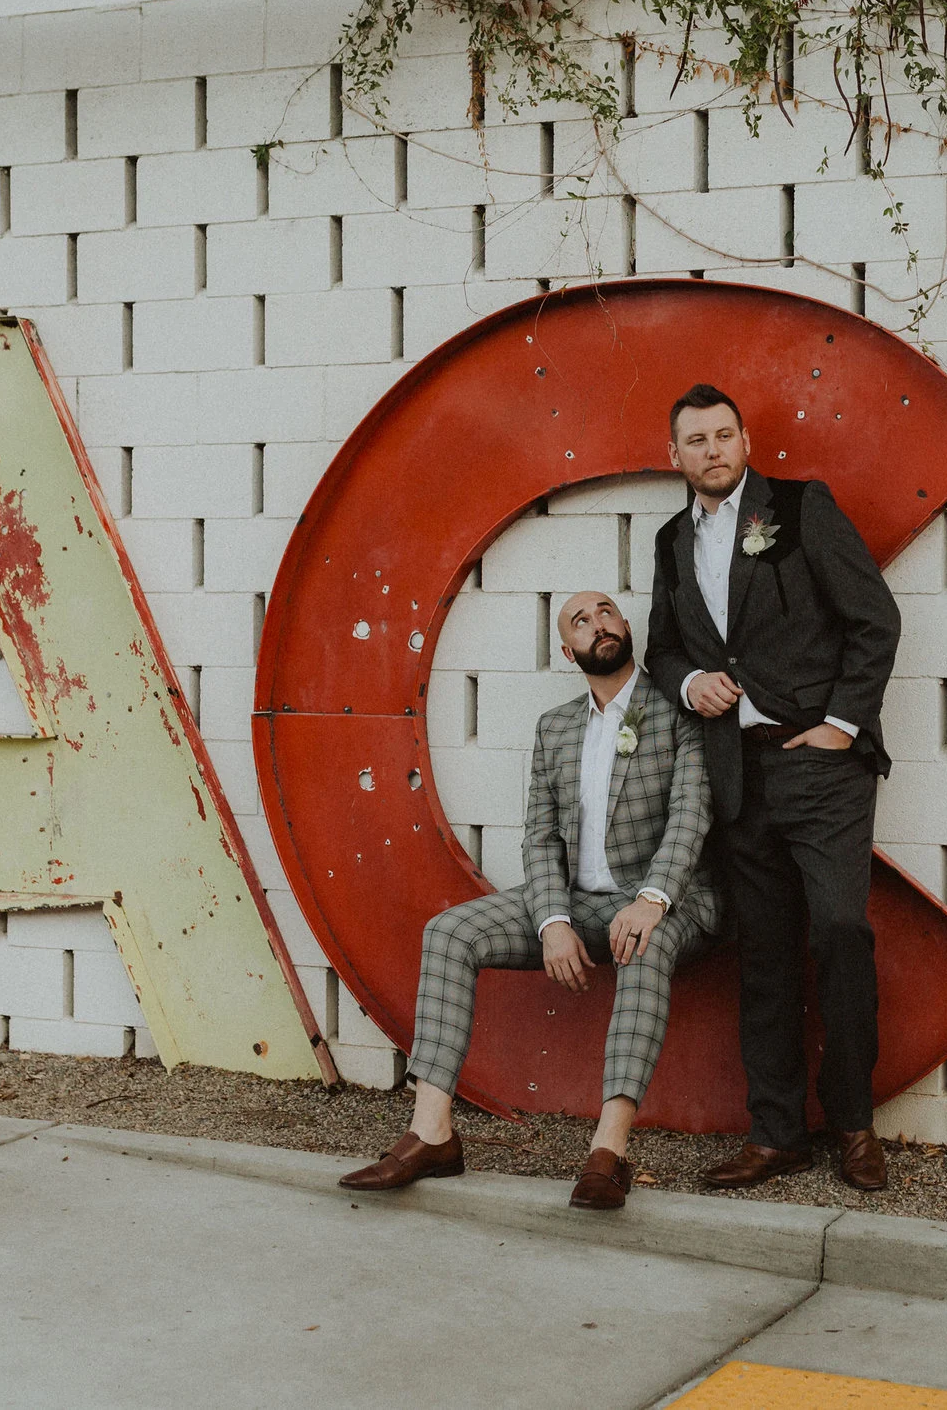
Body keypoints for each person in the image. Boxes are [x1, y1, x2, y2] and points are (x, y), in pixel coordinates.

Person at [339, 592, 719, 1210]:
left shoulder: (676, 714)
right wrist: (551, 920)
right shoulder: (555, 728)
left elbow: (689, 819)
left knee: (643, 946)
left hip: (666, 903)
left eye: (606, 613)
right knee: (449, 933)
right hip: (575, 902)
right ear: (567, 651)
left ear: (626, 628)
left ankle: (609, 1150)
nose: (597, 624)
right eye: (580, 621)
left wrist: (651, 899)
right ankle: (431, 1132)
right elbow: (539, 837)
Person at [645, 384, 903, 1192]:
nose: (713, 449)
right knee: (762, 955)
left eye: (725, 434)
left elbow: (875, 618)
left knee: (838, 931)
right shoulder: (667, 541)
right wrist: (692, 686)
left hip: (819, 765)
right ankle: (777, 1131)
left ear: (746, 441)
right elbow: (661, 650)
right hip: (736, 771)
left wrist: (841, 724)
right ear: (675, 454)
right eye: (697, 439)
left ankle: (855, 1124)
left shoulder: (800, 508)